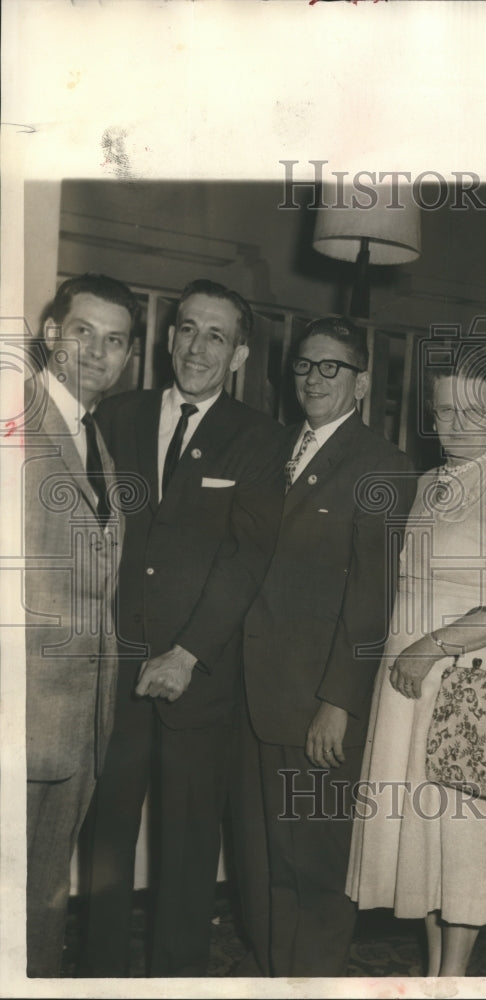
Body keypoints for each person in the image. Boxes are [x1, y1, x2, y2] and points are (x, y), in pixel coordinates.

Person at [80, 279, 285, 976]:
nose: (198, 347)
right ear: (168, 338)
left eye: (217, 336)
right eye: (188, 329)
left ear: (239, 356)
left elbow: (246, 556)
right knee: (105, 840)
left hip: (198, 678)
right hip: (114, 667)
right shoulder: (116, 415)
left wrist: (188, 652)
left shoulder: (260, 439)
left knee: (188, 847)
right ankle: (98, 978)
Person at [346, 357, 486, 977]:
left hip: (457, 682)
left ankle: (451, 980)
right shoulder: (426, 481)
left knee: (461, 838)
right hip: (403, 678)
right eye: (442, 410)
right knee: (421, 840)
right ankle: (435, 974)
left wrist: (432, 645)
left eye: (471, 410)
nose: (454, 423)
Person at [235, 316, 415, 978]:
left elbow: (373, 599)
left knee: (317, 863)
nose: (312, 379)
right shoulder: (277, 448)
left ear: (361, 383)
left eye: (330, 368)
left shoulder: (381, 466)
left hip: (317, 705)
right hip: (258, 693)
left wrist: (337, 702)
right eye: (304, 366)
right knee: (269, 860)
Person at [24, 273, 138, 976]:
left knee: (44, 893)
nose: (98, 351)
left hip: (80, 716)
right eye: (84, 332)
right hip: (22, 713)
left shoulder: (96, 440)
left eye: (116, 340)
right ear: (52, 336)